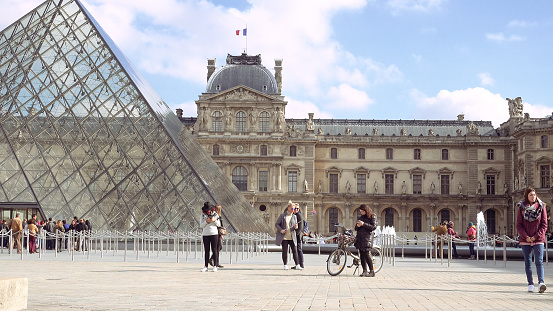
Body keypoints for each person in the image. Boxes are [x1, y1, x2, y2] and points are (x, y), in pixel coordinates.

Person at [516, 187, 548, 293]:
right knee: (528, 262)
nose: (533, 196)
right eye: (531, 195)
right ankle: (530, 284)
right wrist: (527, 237)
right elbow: (519, 225)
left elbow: (544, 225)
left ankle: (541, 283)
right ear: (527, 196)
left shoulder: (541, 207)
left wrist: (535, 236)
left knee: (539, 261)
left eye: (534, 194)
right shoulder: (521, 208)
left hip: (538, 239)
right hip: (526, 239)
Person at [275, 201, 301, 270]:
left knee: (295, 251)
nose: (293, 210)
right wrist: (281, 230)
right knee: (285, 251)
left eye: (294, 209)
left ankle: (297, 264)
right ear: (288, 208)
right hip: (285, 237)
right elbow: (277, 224)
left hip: (292, 236)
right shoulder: (282, 216)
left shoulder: (294, 216)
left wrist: (296, 227)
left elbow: (296, 226)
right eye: (292, 209)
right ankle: (285, 264)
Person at [354, 204, 377, 277]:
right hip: (360, 238)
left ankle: (372, 271)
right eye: (360, 211)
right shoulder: (361, 217)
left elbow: (373, 227)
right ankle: (364, 271)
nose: (361, 213)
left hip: (367, 238)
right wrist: (357, 226)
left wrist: (363, 224)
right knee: (361, 255)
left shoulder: (372, 216)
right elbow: (355, 228)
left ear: (366, 210)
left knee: (366, 254)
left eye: (362, 211)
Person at [200, 202, 220, 272]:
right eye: (207, 210)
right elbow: (201, 225)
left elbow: (219, 224)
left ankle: (215, 266)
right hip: (205, 234)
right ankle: (206, 266)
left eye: (209, 209)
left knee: (214, 250)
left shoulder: (215, 214)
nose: (208, 211)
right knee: (206, 251)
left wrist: (214, 221)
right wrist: (206, 221)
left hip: (214, 234)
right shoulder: (202, 215)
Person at [209, 204, 224, 269]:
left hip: (216, 233)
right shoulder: (217, 216)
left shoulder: (215, 216)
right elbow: (220, 226)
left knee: (218, 248)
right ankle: (214, 261)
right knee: (218, 248)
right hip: (217, 233)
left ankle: (216, 262)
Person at [291, 203, 304, 269]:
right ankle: (298, 264)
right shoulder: (295, 215)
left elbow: (301, 227)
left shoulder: (299, 215)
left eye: (297, 208)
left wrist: (296, 235)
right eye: (294, 208)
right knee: (297, 249)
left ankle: (301, 264)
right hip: (297, 234)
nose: (296, 209)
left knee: (298, 249)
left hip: (298, 235)